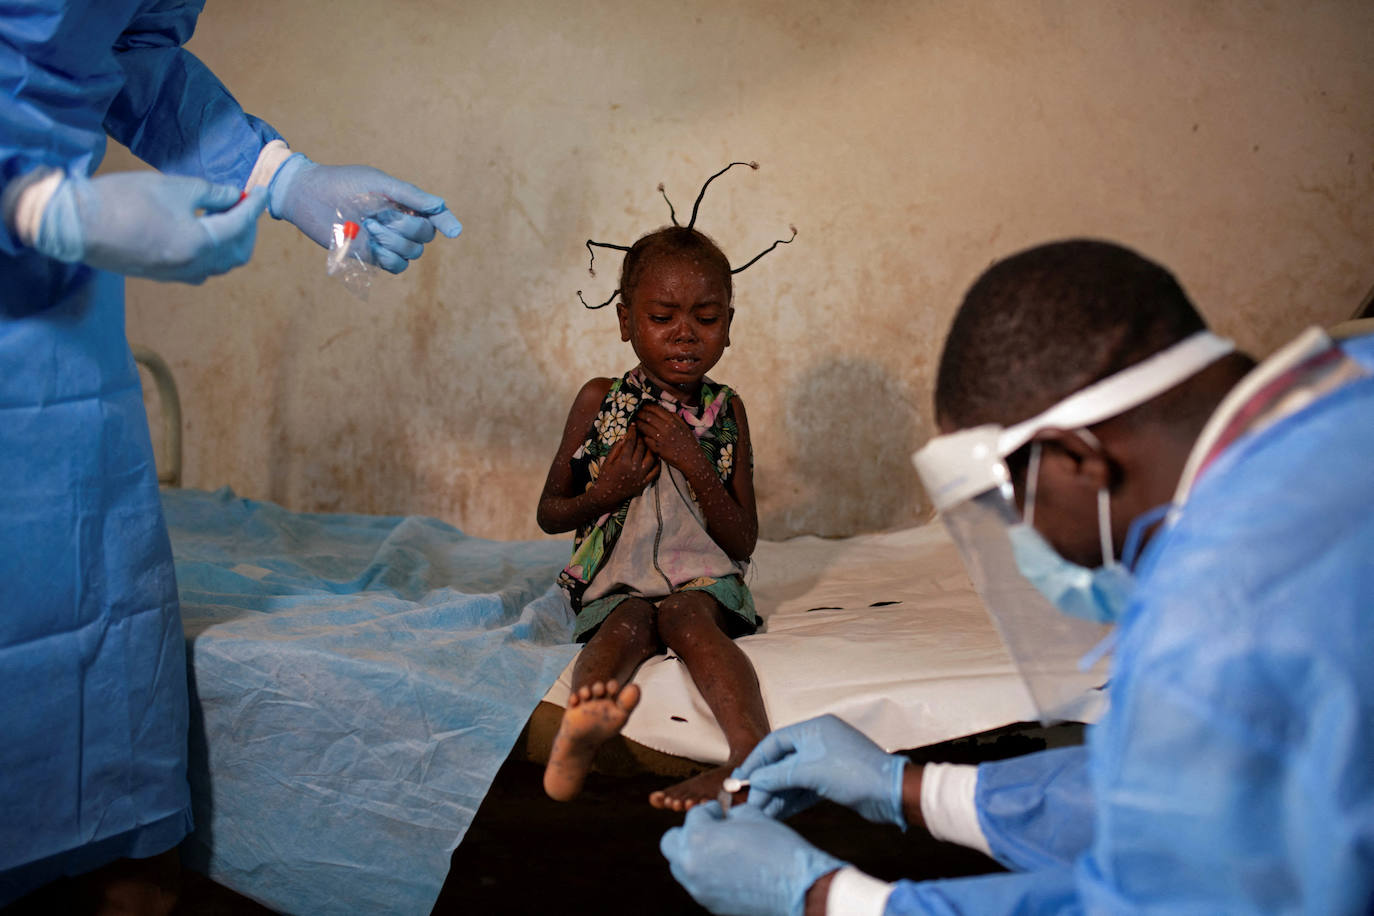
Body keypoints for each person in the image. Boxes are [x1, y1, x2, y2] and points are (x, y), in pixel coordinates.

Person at [661, 239, 1374, 914]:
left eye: (1012, 505)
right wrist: (914, 789)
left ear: (1076, 459)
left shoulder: (1217, 614)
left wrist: (827, 898)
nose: (1026, 540)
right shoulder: (1350, 386)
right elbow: (1191, 796)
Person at [0, 3, 460, 910]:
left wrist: (285, 178)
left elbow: (126, 51)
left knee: (119, 780)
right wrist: (33, 200)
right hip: (37, 248)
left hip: (61, 345)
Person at [537, 224, 769, 811]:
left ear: (729, 325)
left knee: (689, 619)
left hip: (702, 576)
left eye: (707, 318)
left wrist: (694, 460)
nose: (685, 334)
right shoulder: (599, 401)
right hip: (618, 576)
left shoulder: (725, 412)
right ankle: (579, 730)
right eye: (662, 317)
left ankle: (750, 755)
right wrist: (605, 491)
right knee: (627, 624)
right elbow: (550, 514)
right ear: (625, 322)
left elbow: (743, 538)